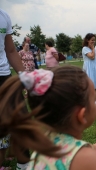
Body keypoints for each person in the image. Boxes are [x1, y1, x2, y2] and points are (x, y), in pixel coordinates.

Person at [0, 66, 96, 170]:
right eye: (93, 100)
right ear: (82, 115)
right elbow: (91, 154)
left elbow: (93, 149)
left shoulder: (46, 143)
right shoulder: (89, 159)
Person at [0, 8, 26, 170]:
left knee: (22, 121)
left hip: (4, 76)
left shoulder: (4, 16)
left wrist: (27, 78)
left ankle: (24, 164)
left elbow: (10, 51)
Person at [82, 33, 96, 105]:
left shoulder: (92, 48)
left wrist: (92, 48)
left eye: (94, 40)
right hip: (89, 68)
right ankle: (90, 100)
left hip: (95, 67)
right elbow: (92, 56)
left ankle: (94, 99)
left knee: (95, 83)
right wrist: (93, 48)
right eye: (92, 40)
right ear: (87, 40)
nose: (93, 41)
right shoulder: (85, 48)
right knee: (90, 84)